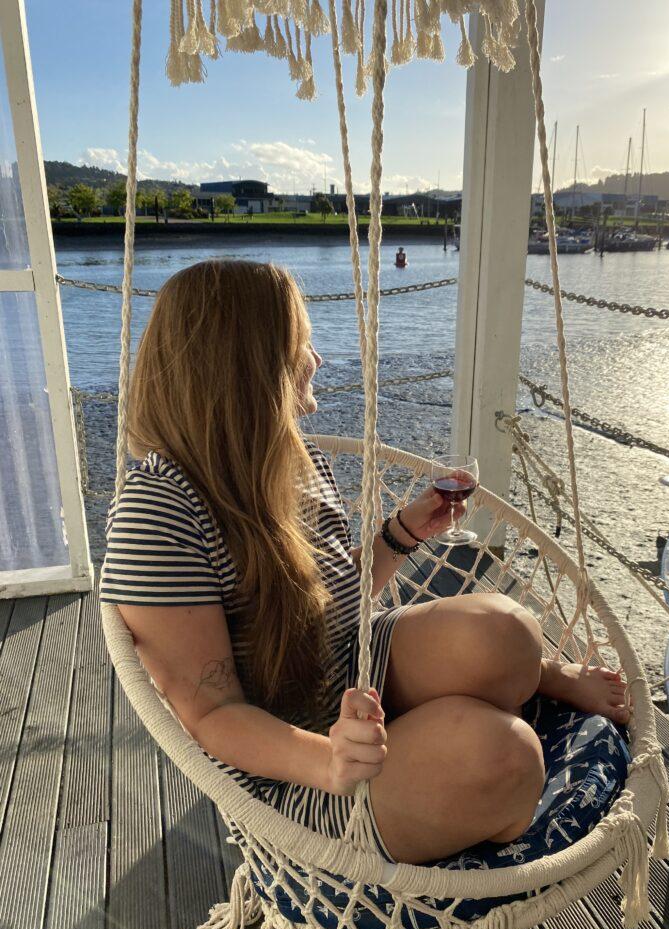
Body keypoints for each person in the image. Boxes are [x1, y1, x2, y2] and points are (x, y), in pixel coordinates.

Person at [100, 260, 629, 866]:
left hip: (353, 668)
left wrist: (401, 535)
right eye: (299, 344)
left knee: (507, 632)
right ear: (250, 368)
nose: (316, 360)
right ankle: (471, 778)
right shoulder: (156, 511)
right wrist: (327, 758)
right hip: (293, 766)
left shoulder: (291, 460)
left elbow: (329, 603)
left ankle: (540, 681)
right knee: (503, 755)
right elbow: (213, 714)